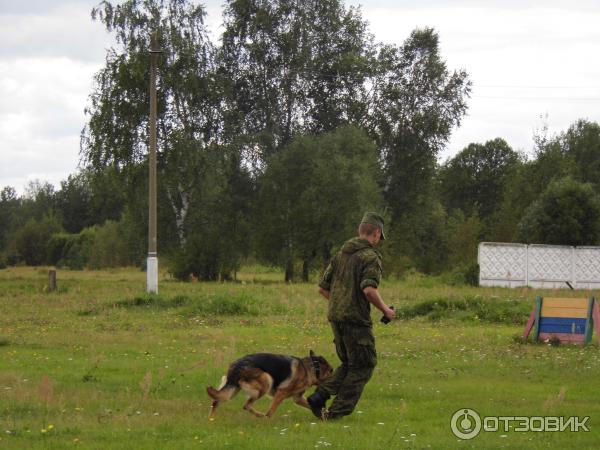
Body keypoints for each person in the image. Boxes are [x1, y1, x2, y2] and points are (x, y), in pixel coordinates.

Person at [307, 212, 396, 420]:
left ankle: (319, 396)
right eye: (378, 237)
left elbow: (323, 288)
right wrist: (386, 311)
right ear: (375, 232)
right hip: (356, 322)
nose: (378, 241)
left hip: (336, 318)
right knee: (364, 365)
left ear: (359, 230)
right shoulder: (370, 257)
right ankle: (335, 414)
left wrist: (342, 304)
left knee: (349, 364)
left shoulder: (341, 254)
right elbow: (369, 290)